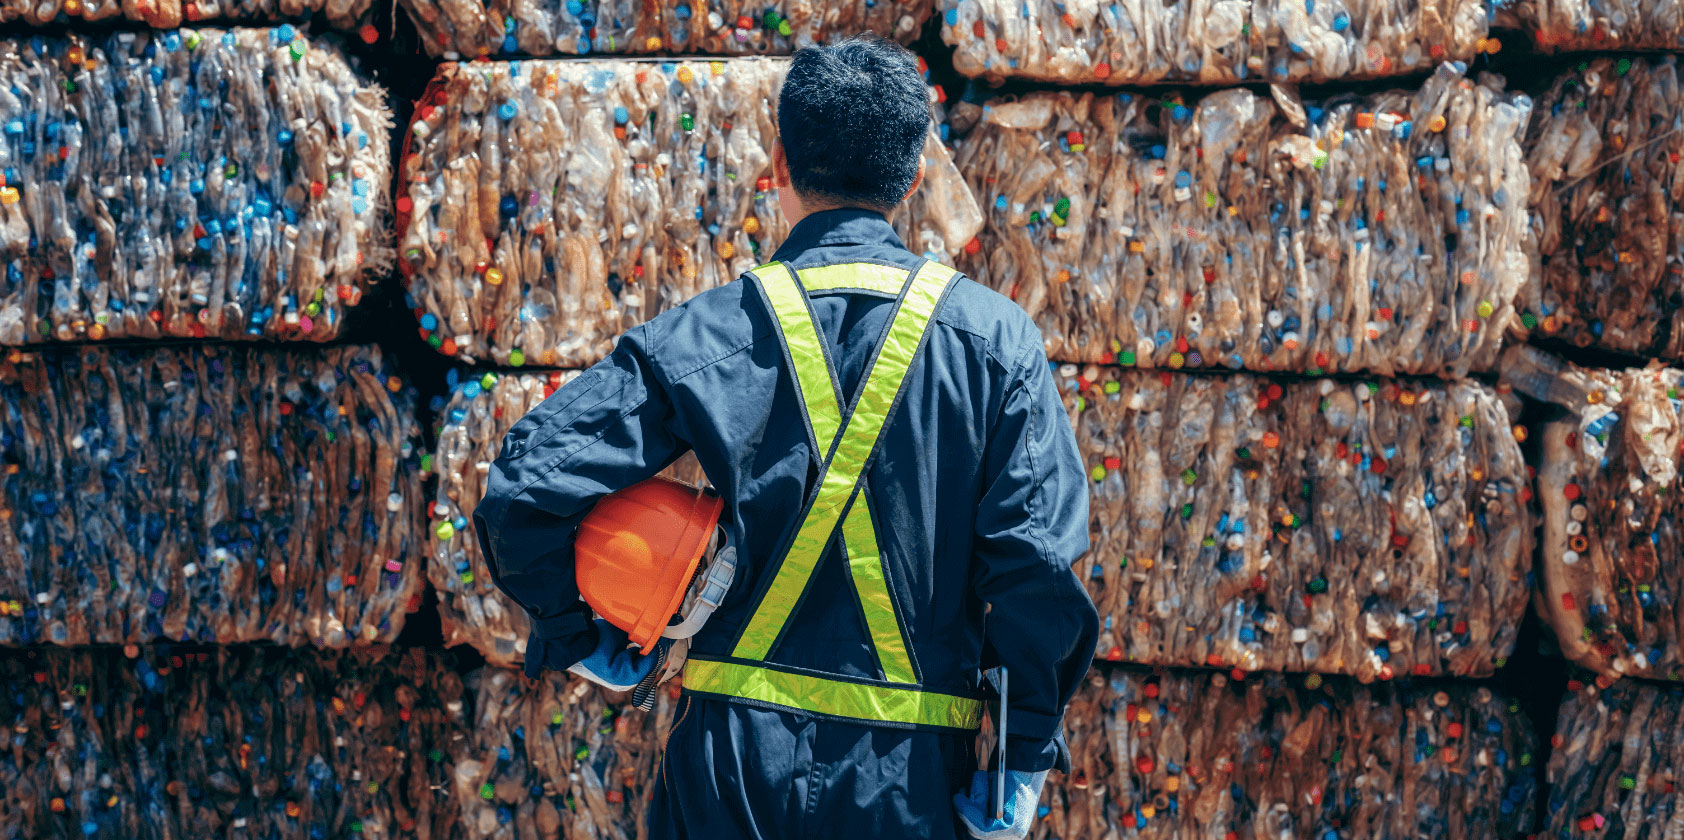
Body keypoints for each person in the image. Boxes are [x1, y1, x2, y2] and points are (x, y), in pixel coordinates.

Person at [475, 34, 1099, 840]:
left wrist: (579, 636)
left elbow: (524, 491)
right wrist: (1019, 760)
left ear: (777, 162)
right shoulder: (993, 342)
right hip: (907, 786)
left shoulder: (707, 335)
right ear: (913, 178)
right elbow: (1038, 565)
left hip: (730, 779)